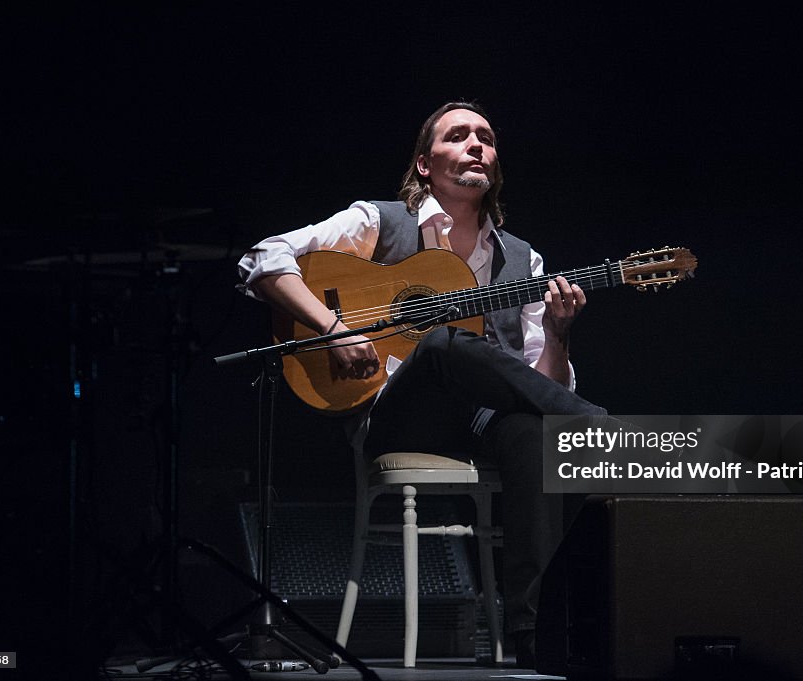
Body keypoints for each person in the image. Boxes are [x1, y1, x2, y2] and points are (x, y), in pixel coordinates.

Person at [237, 101, 605, 668]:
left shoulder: (522, 260)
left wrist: (558, 336)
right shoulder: (380, 221)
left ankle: (536, 635)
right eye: (458, 136)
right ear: (424, 164)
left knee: (536, 432)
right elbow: (263, 258)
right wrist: (333, 329)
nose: (476, 145)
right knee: (441, 343)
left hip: (482, 423)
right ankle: (603, 431)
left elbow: (535, 384)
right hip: (395, 413)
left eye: (486, 137)